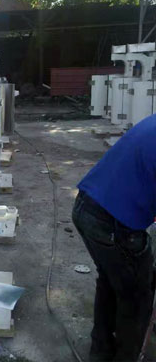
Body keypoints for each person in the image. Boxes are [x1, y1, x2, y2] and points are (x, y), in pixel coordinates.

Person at [72, 115, 156, 361]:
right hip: (113, 223)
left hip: (86, 207)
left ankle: (101, 351)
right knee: (138, 294)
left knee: (112, 280)